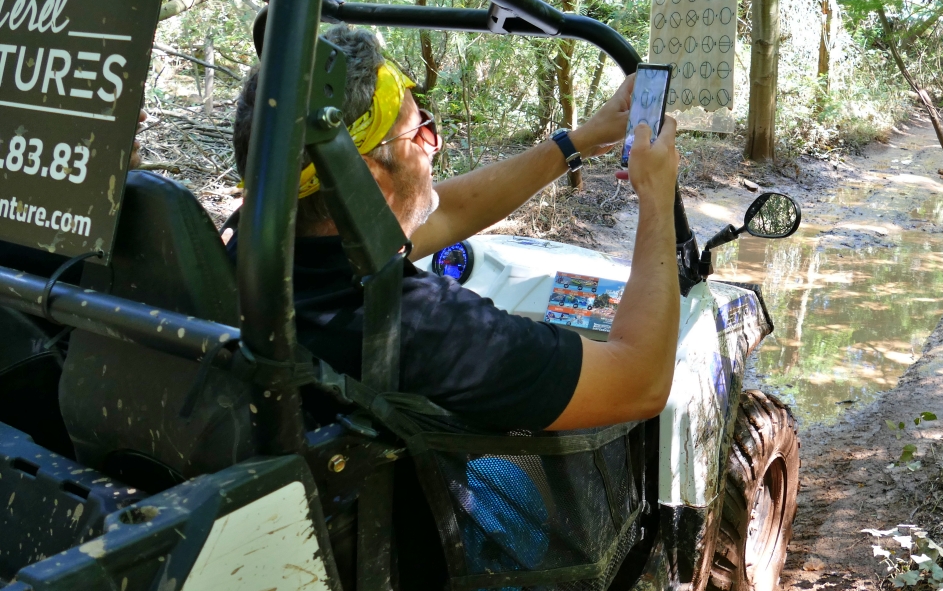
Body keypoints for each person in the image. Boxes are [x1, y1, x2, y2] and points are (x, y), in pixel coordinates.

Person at [232, 24, 680, 432]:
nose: (436, 145)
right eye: (421, 134)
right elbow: (641, 381)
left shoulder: (243, 251)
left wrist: (575, 141)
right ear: (365, 182)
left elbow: (447, 213)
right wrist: (656, 198)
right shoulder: (420, 325)